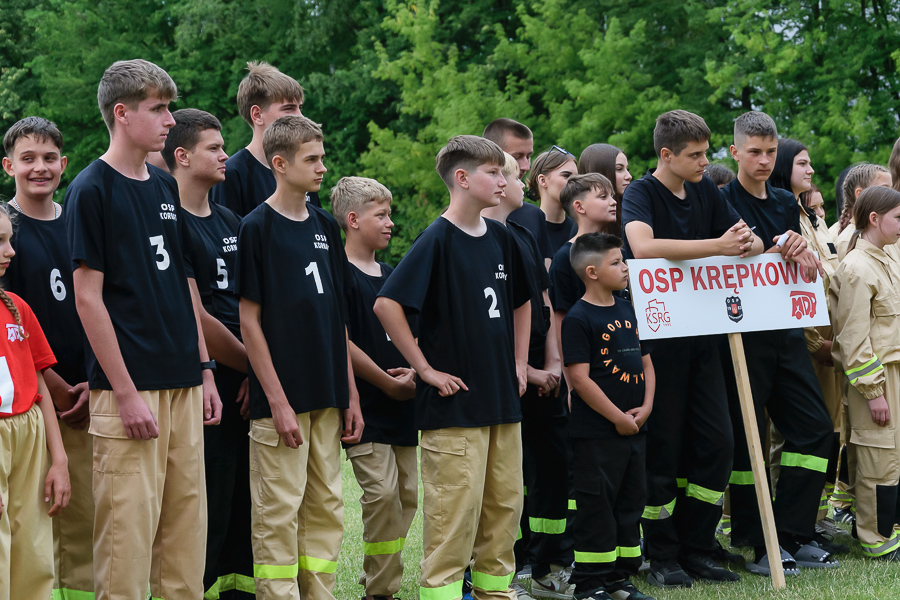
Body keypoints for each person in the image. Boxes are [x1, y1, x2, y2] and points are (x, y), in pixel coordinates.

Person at [65, 59, 221, 600]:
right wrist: (126, 394)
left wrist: (205, 368)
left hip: (183, 383)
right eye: (158, 108)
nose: (169, 119)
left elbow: (183, 282)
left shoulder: (161, 183)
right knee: (126, 545)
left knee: (185, 540)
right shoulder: (90, 189)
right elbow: (88, 300)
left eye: (169, 107)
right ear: (122, 113)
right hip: (130, 393)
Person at [374, 135, 531, 600]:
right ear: (462, 179)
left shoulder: (502, 236)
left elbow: (522, 301)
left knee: (504, 514)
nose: (504, 181)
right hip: (454, 410)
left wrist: (520, 363)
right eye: (494, 172)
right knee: (453, 524)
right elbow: (387, 305)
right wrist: (423, 368)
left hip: (502, 403)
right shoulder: (436, 239)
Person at [622, 109, 763, 588]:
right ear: (666, 155)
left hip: (706, 339)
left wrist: (752, 243)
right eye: (696, 155)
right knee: (663, 449)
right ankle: (661, 554)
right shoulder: (641, 193)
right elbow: (641, 247)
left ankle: (698, 546)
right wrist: (717, 245)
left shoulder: (705, 189)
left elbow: (746, 237)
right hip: (658, 343)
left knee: (717, 444)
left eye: (707, 153)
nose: (707, 163)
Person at [236, 115, 362, 600]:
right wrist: (278, 401)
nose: (322, 168)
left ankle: (320, 593)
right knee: (278, 508)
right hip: (282, 403)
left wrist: (349, 392)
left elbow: (337, 320)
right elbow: (249, 321)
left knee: (326, 505)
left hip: (327, 395)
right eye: (312, 159)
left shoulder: (327, 228)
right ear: (280, 163)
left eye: (323, 157)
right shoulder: (256, 227)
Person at [720, 112, 839, 575]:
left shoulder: (788, 200)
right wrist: (777, 248)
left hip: (786, 333)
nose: (765, 160)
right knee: (748, 442)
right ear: (735, 152)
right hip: (740, 336)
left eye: (771, 152)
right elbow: (725, 256)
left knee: (813, 428)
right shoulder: (720, 199)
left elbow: (795, 257)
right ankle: (757, 541)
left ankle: (795, 531)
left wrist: (800, 247)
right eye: (755, 151)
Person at [161, 108, 255, 599]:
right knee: (204, 502)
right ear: (181, 156)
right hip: (204, 385)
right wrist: (254, 368)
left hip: (243, 380)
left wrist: (251, 374)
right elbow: (197, 314)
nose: (225, 156)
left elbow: (250, 308)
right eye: (215, 148)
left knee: (245, 500)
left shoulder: (230, 220)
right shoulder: (168, 219)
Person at [1, 116, 93, 600]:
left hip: (91, 393)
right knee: (38, 526)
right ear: (8, 165)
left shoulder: (80, 220)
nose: (40, 168)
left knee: (89, 520)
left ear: (64, 162)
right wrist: (54, 387)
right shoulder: (5, 232)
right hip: (38, 402)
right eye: (28, 158)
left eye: (50, 158)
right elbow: (13, 335)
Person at [483, 152, 569, 600]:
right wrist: (527, 369)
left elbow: (544, 304)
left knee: (553, 471)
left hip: (544, 376)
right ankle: (499, 566)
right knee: (504, 480)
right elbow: (484, 323)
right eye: (513, 175)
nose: (517, 184)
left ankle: (548, 565)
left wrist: (552, 363)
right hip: (509, 381)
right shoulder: (477, 240)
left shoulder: (523, 234)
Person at [330, 175, 418, 600]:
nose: (390, 223)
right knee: (381, 495)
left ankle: (377, 578)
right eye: (381, 215)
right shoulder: (337, 274)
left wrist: (414, 374)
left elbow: (411, 334)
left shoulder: (392, 273)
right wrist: (385, 383)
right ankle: (382, 591)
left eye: (390, 214)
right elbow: (340, 340)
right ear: (352, 220)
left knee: (409, 495)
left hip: (404, 405)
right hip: (365, 405)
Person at [562, 232, 655, 600]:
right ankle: (590, 583)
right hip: (597, 434)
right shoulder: (578, 318)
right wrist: (617, 416)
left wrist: (646, 408)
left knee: (630, 503)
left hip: (635, 430)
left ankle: (619, 579)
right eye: (616, 262)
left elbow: (647, 362)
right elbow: (579, 379)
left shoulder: (629, 307)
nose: (625, 267)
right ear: (592, 272)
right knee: (597, 506)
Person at [769, 137, 844, 540]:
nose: (811, 170)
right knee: (791, 436)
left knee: (824, 432)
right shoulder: (783, 219)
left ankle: (813, 518)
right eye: (802, 163)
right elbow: (791, 291)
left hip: (829, 346)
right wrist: (816, 344)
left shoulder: (807, 216)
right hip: (807, 345)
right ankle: (790, 521)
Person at [0, 202, 70, 600]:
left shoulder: (18, 309)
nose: (10, 252)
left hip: (29, 438)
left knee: (35, 555)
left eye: (10, 241)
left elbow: (39, 387)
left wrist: (58, 460)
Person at [829, 186, 900, 560]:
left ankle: (888, 528)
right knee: (877, 455)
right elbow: (853, 338)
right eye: (898, 218)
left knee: (892, 454)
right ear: (874, 218)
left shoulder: (887, 257)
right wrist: (874, 392)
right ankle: (875, 539)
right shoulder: (857, 267)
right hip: (874, 377)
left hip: (893, 373)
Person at [211, 61, 319, 216]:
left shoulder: (303, 168)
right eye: (289, 108)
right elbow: (228, 236)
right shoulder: (232, 174)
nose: (301, 117)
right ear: (257, 115)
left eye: (300, 108)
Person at [484, 118, 554, 267]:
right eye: (517, 157)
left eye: (528, 156)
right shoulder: (469, 216)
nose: (526, 166)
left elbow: (542, 281)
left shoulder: (534, 216)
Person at [833, 164, 892, 259]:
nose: (891, 195)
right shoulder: (846, 242)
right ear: (860, 194)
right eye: (884, 189)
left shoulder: (890, 232)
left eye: (891, 189)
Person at [528, 147, 579, 256]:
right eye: (566, 175)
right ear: (542, 180)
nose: (574, 183)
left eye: (576, 178)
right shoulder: (526, 229)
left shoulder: (579, 229)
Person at [577, 143, 633, 236]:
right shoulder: (583, 235)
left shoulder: (630, 212)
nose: (629, 176)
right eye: (619, 169)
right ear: (599, 173)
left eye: (627, 169)